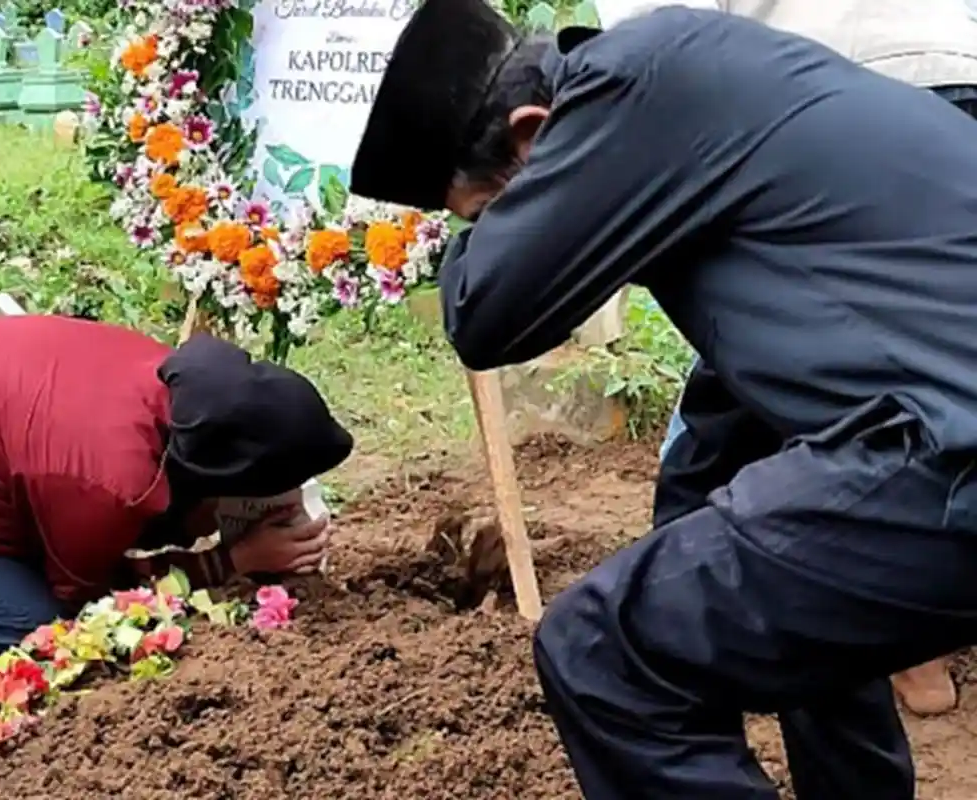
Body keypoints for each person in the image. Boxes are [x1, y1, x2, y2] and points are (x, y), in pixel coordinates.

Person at [352, 2, 977, 798]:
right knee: (780, 600)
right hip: (941, 409)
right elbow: (727, 429)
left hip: (951, 442)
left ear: (530, 134)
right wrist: (690, 547)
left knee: (603, 653)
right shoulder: (706, 89)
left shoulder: (632, 83)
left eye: (491, 212)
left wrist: (486, 234)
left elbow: (483, 314)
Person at [625, 0, 977, 718]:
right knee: (935, 369)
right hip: (953, 80)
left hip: (818, 104)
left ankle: (879, 651)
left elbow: (652, 56)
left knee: (787, 433)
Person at [0, 316, 353, 725]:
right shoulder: (110, 482)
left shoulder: (157, 371)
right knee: (33, 624)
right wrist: (233, 559)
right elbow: (93, 604)